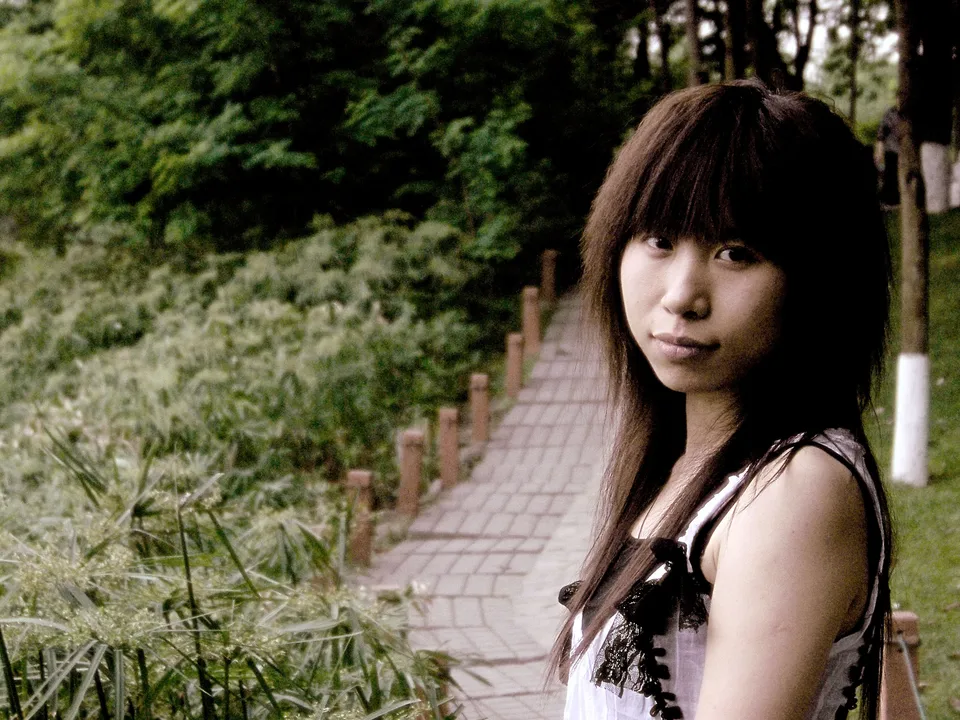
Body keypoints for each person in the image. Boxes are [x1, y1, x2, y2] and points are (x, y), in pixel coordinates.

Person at [549, 79, 892, 720]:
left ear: (818, 281)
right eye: (658, 240)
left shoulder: (792, 490)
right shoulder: (688, 460)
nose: (682, 295)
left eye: (736, 253)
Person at [876, 106, 901, 207]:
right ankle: (889, 201)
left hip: (905, 151)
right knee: (890, 176)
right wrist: (879, 149)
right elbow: (881, 133)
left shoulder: (910, 113)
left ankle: (893, 200)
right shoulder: (891, 113)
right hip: (892, 150)